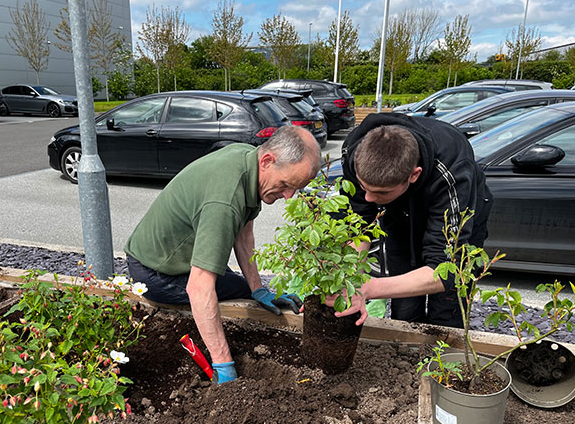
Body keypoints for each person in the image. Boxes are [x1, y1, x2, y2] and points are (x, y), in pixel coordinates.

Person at [125, 126, 321, 383]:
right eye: (285, 185)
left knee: (241, 288)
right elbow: (199, 289)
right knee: (223, 290)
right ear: (267, 161)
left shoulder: (246, 160)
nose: (288, 196)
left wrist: (257, 288)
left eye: (296, 188)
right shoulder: (225, 201)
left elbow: (244, 232)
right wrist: (224, 364)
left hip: (171, 257)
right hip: (155, 273)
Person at [326, 113, 493, 328]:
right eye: (363, 188)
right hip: (399, 216)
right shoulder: (355, 151)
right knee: (405, 307)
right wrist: (350, 281)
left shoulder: (452, 169)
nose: (368, 198)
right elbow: (360, 224)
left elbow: (447, 269)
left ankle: (442, 354)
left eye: (379, 192)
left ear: (414, 175)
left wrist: (369, 288)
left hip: (460, 214)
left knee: (446, 309)